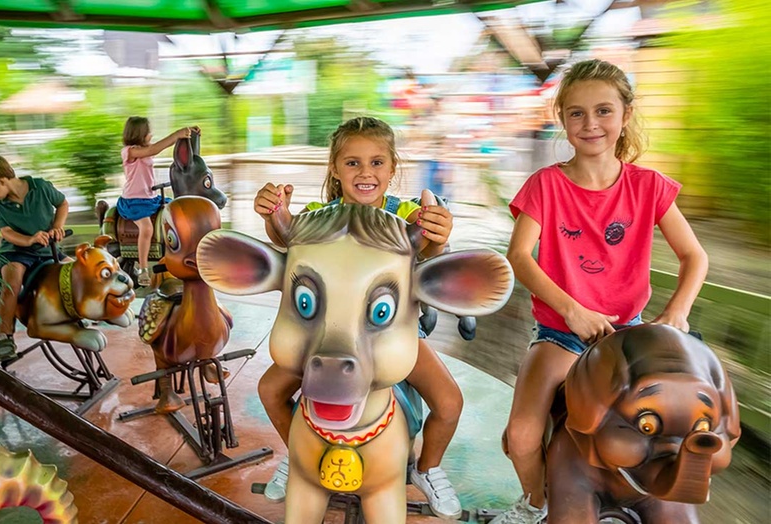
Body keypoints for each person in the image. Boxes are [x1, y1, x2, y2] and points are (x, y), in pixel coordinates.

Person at [491, 59, 708, 524]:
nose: (590, 124)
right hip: (561, 334)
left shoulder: (648, 186)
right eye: (576, 113)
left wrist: (676, 314)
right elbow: (519, 258)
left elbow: (696, 258)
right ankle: (536, 503)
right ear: (562, 119)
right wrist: (571, 311)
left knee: (686, 419)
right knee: (523, 435)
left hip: (628, 332)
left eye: (604, 111)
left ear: (625, 115)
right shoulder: (545, 185)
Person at [253, 116, 464, 520]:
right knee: (269, 389)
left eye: (376, 163)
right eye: (352, 163)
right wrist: (272, 214)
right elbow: (289, 243)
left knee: (450, 402)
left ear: (392, 168)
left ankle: (427, 467)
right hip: (326, 335)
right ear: (334, 167)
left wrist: (438, 235)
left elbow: (431, 258)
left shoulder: (406, 214)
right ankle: (297, 454)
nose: (365, 173)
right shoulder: (317, 214)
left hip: (387, 335)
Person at [0, 152, 70, 362]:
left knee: (75, 273)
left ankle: (78, 315)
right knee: (11, 281)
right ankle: (5, 336)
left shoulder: (41, 187)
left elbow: (63, 204)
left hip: (46, 249)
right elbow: (6, 232)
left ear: (1, 181)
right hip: (15, 251)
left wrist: (58, 226)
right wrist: (30, 239)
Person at [118, 117, 199, 286]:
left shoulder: (146, 149)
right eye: (148, 132)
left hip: (150, 197)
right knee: (146, 228)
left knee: (175, 211)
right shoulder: (129, 151)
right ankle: (143, 268)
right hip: (134, 201)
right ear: (139, 134)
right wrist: (177, 134)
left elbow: (156, 148)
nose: (151, 134)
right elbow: (155, 149)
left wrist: (188, 134)